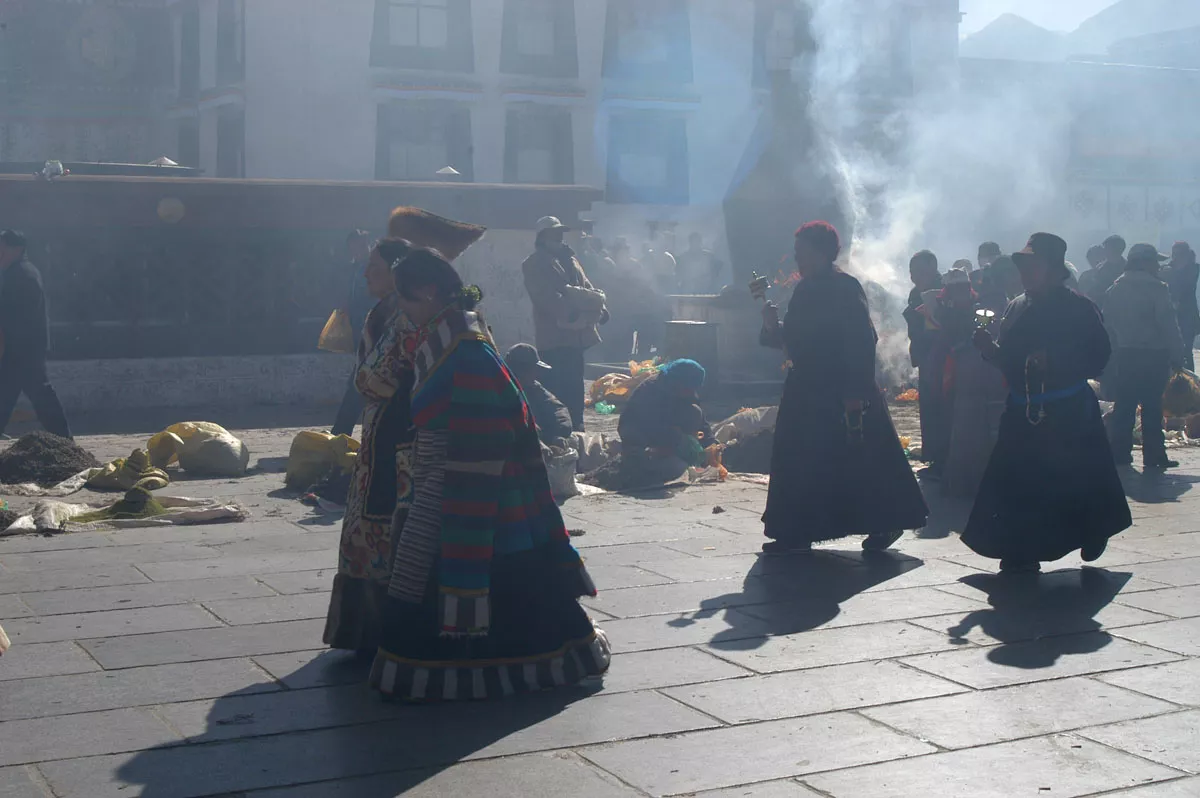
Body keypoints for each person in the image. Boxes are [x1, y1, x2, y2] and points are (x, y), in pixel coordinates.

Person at [371, 248, 610, 702]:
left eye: (405, 297)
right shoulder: (447, 340)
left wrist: (445, 481)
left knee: (490, 580)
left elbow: (491, 425)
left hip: (474, 493)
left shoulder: (468, 350)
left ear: (428, 292)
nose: (401, 307)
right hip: (443, 481)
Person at [324, 210, 486, 654]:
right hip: (382, 435)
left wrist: (368, 381)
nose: (366, 275)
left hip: (407, 441)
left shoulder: (417, 319)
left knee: (397, 536)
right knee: (369, 529)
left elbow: (373, 379)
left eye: (375, 268)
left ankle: (389, 633)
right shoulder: (392, 312)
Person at [964, 233, 1131, 574]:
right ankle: (1020, 548)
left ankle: (1093, 530)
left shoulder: (1079, 308)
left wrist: (1055, 361)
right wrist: (989, 349)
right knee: (1019, 481)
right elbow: (1009, 361)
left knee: (1077, 479)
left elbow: (1100, 356)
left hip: (1067, 412)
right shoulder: (1016, 306)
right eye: (1023, 266)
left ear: (1054, 269)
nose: (1026, 273)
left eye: (1033, 266)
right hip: (1022, 411)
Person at [759, 221, 928, 553]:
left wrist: (855, 393)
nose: (797, 260)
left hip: (840, 387)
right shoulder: (803, 290)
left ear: (822, 252)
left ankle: (885, 523)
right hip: (804, 388)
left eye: (802, 253)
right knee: (800, 459)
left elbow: (862, 340)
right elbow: (793, 340)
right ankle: (796, 530)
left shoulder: (845, 288)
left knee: (857, 461)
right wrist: (771, 327)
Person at [522, 216, 609, 432]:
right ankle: (557, 429)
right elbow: (545, 297)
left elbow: (588, 288)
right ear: (543, 237)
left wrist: (600, 309)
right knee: (555, 385)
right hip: (554, 336)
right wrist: (572, 313)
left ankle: (577, 426)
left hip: (577, 337)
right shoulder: (533, 264)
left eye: (560, 233)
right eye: (554, 233)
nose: (559, 237)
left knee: (575, 384)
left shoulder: (571, 260)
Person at [1103, 243, 1185, 470]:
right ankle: (1154, 455)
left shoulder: (1115, 289)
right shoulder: (1158, 289)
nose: (1158, 267)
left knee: (1124, 405)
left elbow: (1107, 324)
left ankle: (1119, 453)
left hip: (1125, 355)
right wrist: (1178, 354)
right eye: (1154, 262)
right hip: (1153, 356)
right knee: (1152, 406)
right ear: (1144, 263)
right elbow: (1168, 325)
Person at [0, 230, 71, 440]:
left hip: (23, 347)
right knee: (6, 389)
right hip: (18, 346)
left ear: (16, 249)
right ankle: (63, 436)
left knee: (39, 392)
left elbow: (17, 314)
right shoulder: (16, 272)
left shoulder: (23, 275)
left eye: (2, 246)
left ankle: (63, 437)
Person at [617, 358, 714, 482]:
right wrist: (675, 441)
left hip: (668, 429)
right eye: (688, 388)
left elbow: (702, 423)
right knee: (673, 467)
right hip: (640, 435)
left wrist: (711, 443)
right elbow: (651, 425)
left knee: (695, 412)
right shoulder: (650, 392)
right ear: (677, 382)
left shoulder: (685, 390)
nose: (691, 392)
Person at [901, 250, 943, 474]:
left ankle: (943, 459)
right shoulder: (915, 294)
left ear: (933, 270)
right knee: (927, 408)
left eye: (920, 272)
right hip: (925, 357)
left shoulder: (943, 293)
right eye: (912, 272)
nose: (915, 277)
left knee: (941, 409)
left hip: (942, 359)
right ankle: (932, 457)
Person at [331, 229, 375, 437]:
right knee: (361, 377)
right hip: (360, 330)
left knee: (359, 379)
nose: (355, 252)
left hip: (373, 330)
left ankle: (341, 431)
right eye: (352, 248)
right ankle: (343, 430)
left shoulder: (374, 268)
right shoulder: (356, 269)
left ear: (366, 244)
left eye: (358, 246)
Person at [505, 343, 573, 445]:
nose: (537, 374)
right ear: (520, 370)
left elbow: (558, 409)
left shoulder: (534, 387)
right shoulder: (501, 390)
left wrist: (556, 433)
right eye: (533, 369)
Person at [1161, 241, 1199, 371]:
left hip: (1188, 316)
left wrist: (1172, 273)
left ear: (1187, 255)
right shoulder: (1168, 268)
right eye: (1174, 254)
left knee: (1187, 350)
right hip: (1171, 315)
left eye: (1180, 254)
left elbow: (1186, 285)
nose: (1176, 257)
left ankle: (1190, 379)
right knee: (1171, 349)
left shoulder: (1193, 269)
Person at [1080, 234, 1127, 304]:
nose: (1104, 251)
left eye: (1106, 248)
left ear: (1114, 250)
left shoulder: (1127, 269)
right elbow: (1095, 289)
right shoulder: (1100, 268)